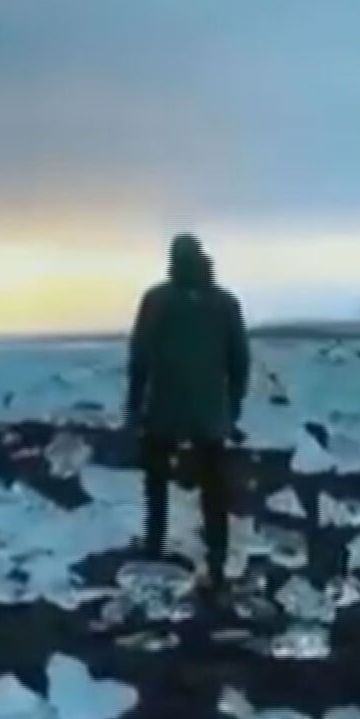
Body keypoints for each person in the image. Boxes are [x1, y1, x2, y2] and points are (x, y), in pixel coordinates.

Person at [125, 233, 250, 597]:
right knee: (214, 490)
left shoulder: (156, 300)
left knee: (157, 483)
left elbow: (140, 356)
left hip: (163, 407)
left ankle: (154, 546)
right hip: (209, 412)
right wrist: (233, 408)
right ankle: (217, 561)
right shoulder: (225, 303)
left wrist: (134, 406)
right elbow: (239, 361)